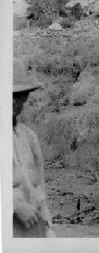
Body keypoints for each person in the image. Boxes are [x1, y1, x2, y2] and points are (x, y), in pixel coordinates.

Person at [12, 59, 55, 237]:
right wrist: (13, 206)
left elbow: (39, 187)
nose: (15, 101)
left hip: (33, 232)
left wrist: (48, 229)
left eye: (20, 95)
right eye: (9, 94)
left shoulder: (29, 137)